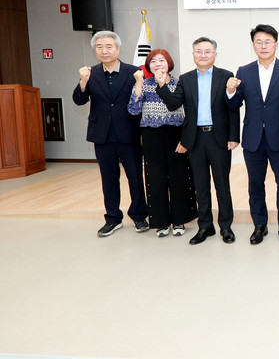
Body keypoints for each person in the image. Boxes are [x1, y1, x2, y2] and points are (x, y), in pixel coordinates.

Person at [156, 37, 240, 245]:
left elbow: (232, 109)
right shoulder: (186, 79)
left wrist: (233, 137)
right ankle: (205, 226)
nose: (203, 55)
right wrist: (162, 84)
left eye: (207, 51)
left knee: (222, 185)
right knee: (200, 186)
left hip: (219, 138)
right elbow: (173, 104)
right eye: (199, 51)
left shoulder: (226, 76)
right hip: (195, 139)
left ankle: (226, 226)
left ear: (215, 54)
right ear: (193, 54)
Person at [226, 24, 279, 245]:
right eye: (259, 42)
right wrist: (230, 91)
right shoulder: (244, 71)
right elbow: (234, 105)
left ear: (276, 44)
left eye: (268, 41)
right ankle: (260, 226)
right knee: (255, 186)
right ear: (253, 46)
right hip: (253, 139)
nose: (263, 46)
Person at [73, 31, 148, 237]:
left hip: (129, 134)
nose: (104, 50)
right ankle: (113, 218)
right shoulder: (90, 73)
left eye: (108, 46)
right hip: (102, 135)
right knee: (108, 179)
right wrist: (82, 81)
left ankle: (139, 216)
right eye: (99, 47)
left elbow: (140, 102)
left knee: (135, 178)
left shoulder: (134, 72)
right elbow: (79, 100)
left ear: (118, 49)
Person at [128, 49, 197, 237]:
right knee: (155, 178)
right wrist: (139, 84)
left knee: (179, 178)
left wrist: (185, 139)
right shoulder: (143, 84)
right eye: (153, 61)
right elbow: (133, 110)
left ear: (169, 63)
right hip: (151, 136)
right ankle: (161, 222)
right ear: (148, 66)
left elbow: (188, 112)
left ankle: (179, 220)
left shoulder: (179, 83)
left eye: (162, 60)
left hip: (175, 135)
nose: (158, 64)